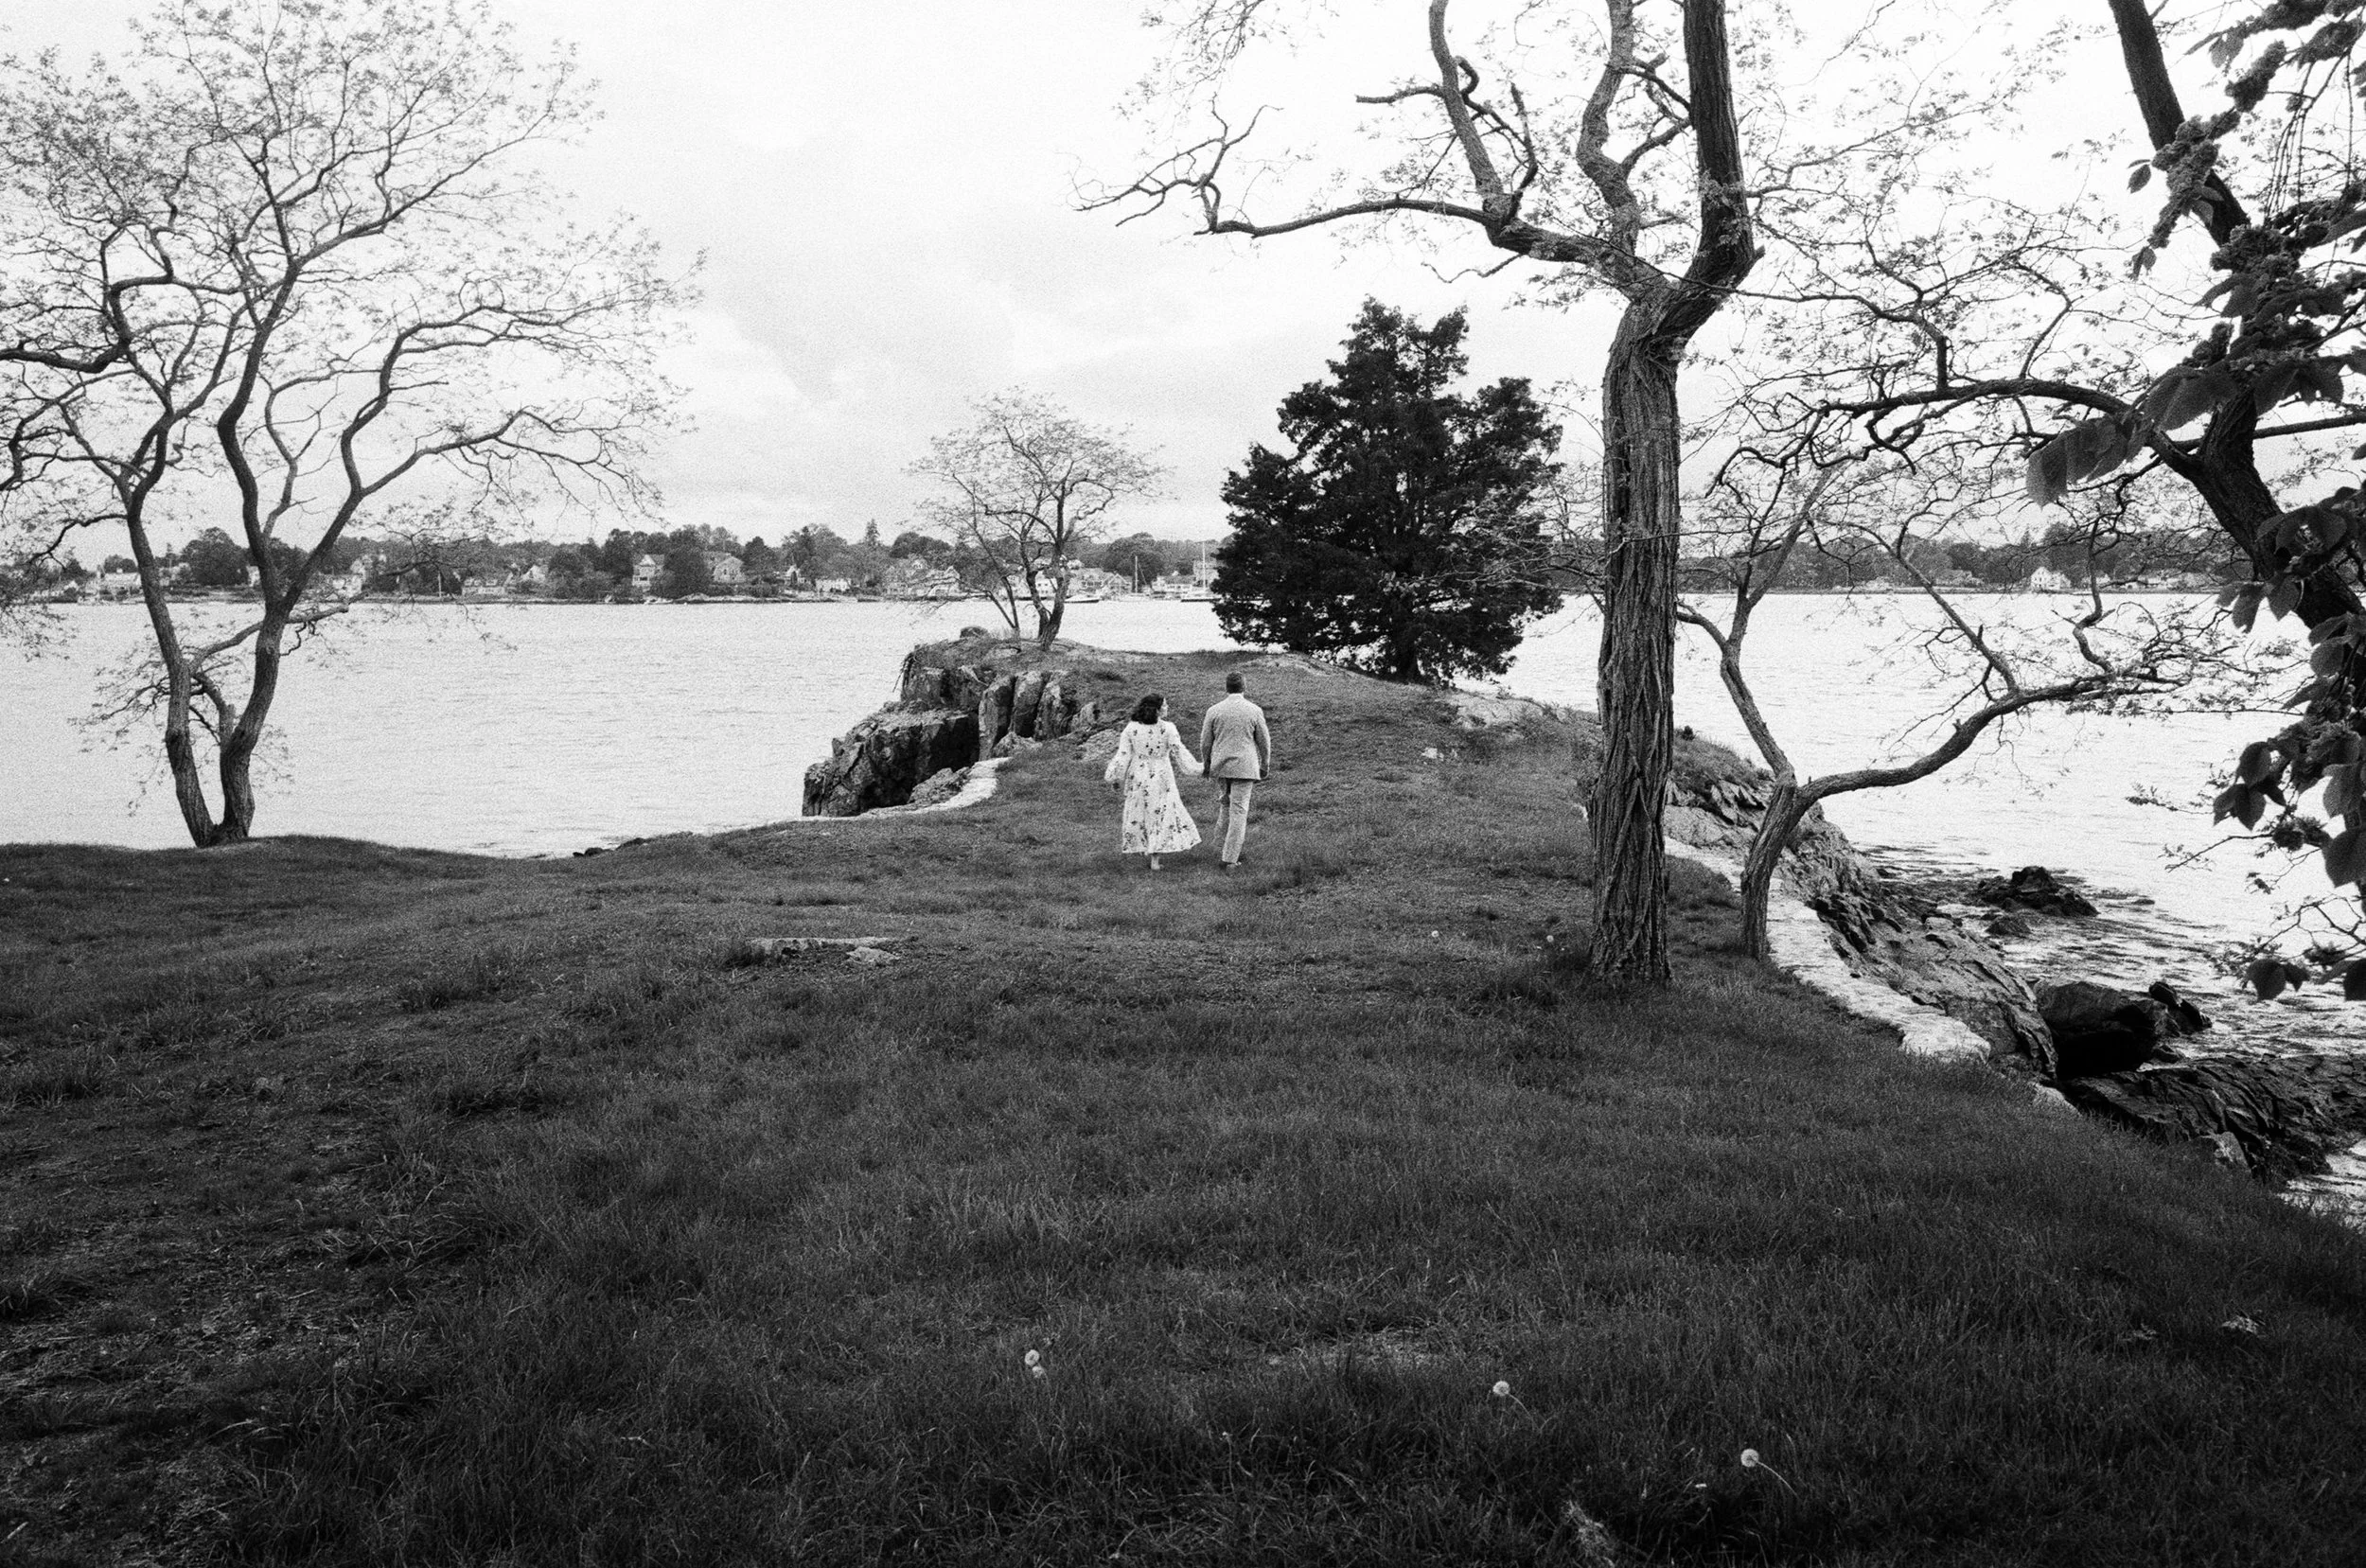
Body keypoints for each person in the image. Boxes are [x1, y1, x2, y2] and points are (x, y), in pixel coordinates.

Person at [1103, 692, 1203, 870]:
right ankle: (1155, 859)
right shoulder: (1168, 728)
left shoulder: (1131, 728)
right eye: (1164, 705)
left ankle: (1146, 848)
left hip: (1139, 774)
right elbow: (1179, 752)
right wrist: (1198, 768)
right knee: (1160, 812)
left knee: (1141, 811)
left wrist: (1116, 777)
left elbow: (1123, 755)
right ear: (1156, 710)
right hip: (1161, 775)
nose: (1167, 708)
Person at [1197, 670, 1271, 871]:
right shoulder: (1254, 710)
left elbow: (1205, 742)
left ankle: (1219, 847)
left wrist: (1206, 764)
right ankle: (1229, 859)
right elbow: (1264, 741)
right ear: (1244, 687)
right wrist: (1265, 763)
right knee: (1239, 810)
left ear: (1226, 688)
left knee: (1225, 805)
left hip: (1221, 767)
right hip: (1245, 767)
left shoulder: (1214, 710)